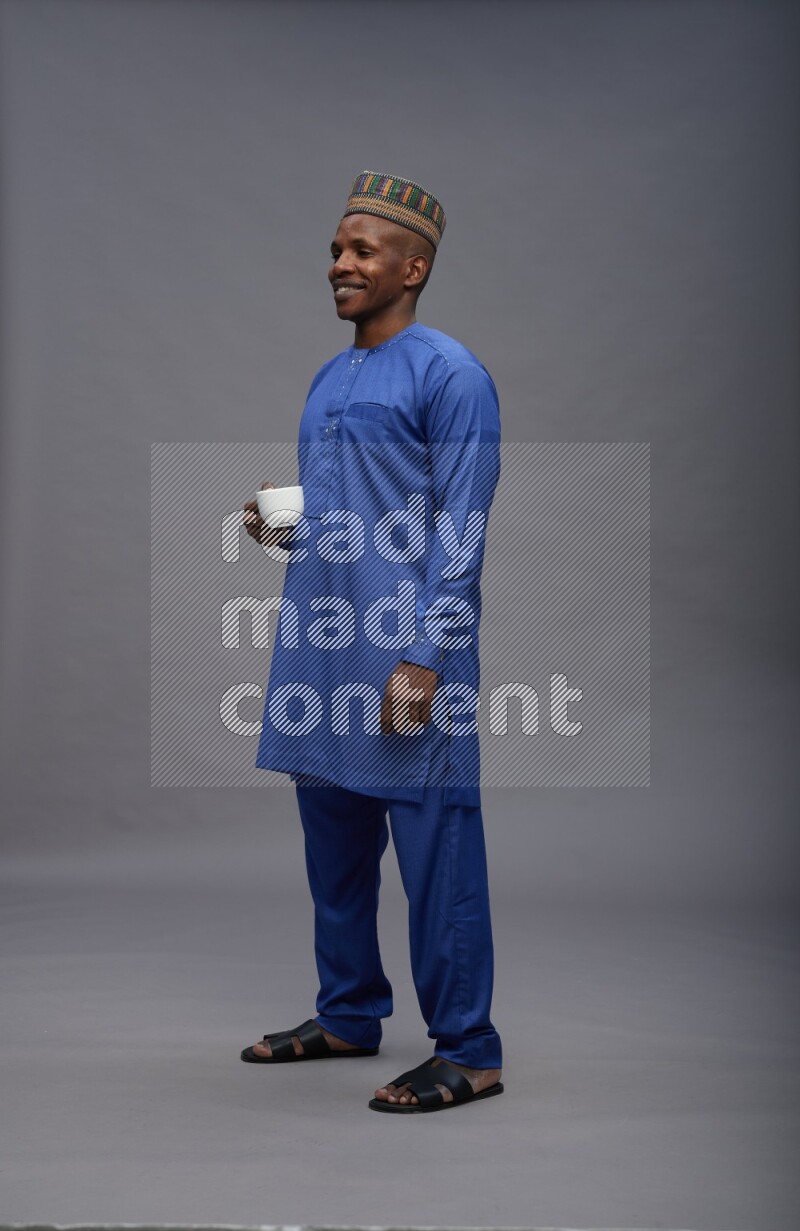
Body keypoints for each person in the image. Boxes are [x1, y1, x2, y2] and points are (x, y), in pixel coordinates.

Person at [241, 171, 503, 1113]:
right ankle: (350, 1012)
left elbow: (461, 530)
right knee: (335, 851)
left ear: (413, 265)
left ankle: (469, 1048)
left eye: (360, 251)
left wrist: (427, 656)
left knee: (435, 851)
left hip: (403, 655)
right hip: (323, 648)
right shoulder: (331, 375)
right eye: (335, 251)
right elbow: (362, 512)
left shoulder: (450, 373)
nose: (339, 266)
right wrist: (286, 527)